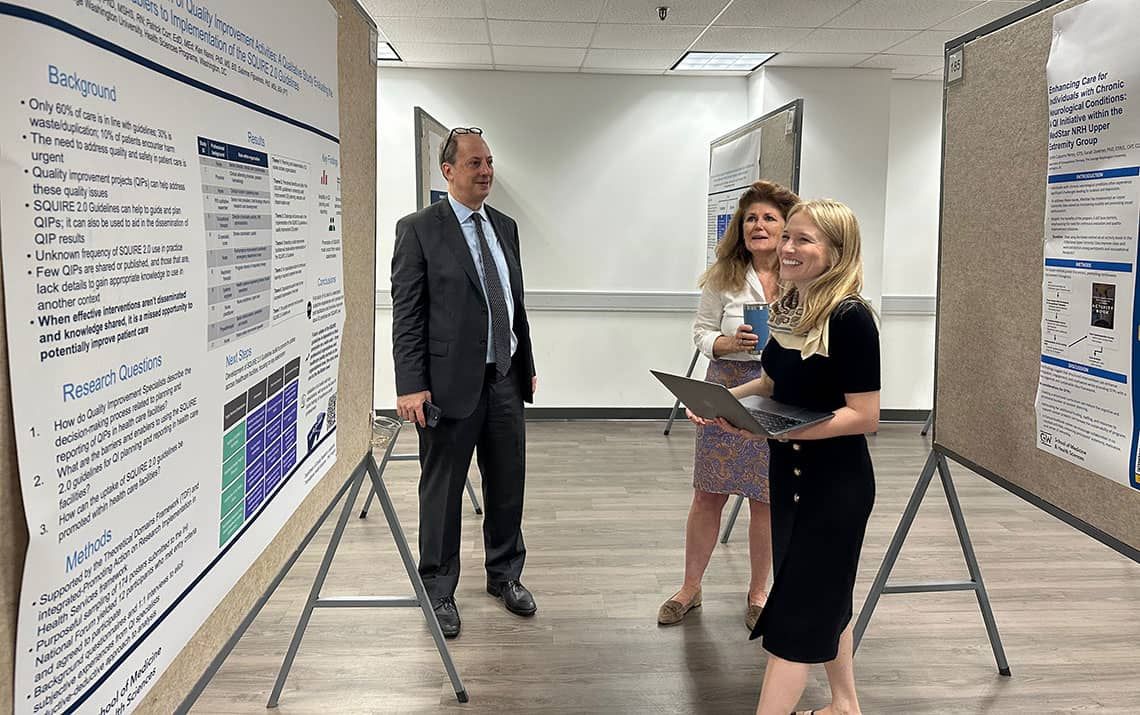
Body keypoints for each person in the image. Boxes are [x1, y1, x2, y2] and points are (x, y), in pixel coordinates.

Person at [695, 199, 880, 715]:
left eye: (804, 240)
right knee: (825, 596)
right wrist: (729, 407)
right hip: (790, 476)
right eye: (788, 237)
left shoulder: (851, 318)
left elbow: (865, 415)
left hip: (834, 486)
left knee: (797, 617)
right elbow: (776, 382)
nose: (789, 248)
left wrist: (781, 427)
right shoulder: (794, 306)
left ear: (837, 252)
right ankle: (845, 705)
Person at [391, 127, 538, 639]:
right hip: (447, 386)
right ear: (448, 170)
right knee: (443, 490)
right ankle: (438, 588)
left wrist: (526, 361)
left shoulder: (505, 226)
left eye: (490, 162)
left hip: (504, 377)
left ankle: (505, 576)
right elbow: (407, 315)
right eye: (475, 163)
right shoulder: (418, 229)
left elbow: (513, 302)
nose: (486, 171)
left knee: (507, 484)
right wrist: (410, 385)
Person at [658, 180, 799, 631]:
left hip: (777, 392)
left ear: (786, 228)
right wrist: (723, 341)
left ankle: (759, 593)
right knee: (707, 493)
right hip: (725, 386)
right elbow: (699, 331)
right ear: (741, 228)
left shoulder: (803, 275)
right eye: (751, 219)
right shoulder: (723, 276)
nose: (759, 226)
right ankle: (690, 589)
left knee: (765, 499)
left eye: (769, 218)